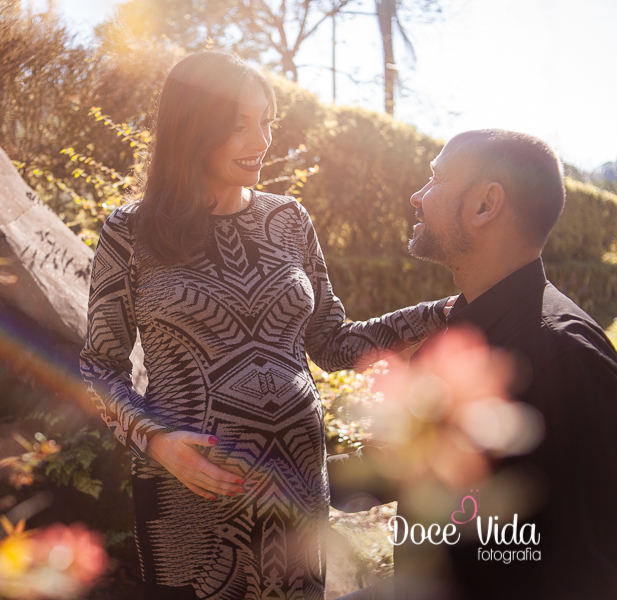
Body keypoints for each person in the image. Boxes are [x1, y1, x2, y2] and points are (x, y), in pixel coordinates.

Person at [79, 51, 449, 600]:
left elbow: (333, 341)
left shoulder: (289, 219)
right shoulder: (129, 232)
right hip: (192, 505)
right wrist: (157, 443)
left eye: (268, 122)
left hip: (298, 492)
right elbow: (98, 368)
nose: (263, 140)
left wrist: (441, 312)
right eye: (241, 126)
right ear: (192, 131)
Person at [333, 129, 617, 599]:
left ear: (485, 205)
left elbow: (592, 565)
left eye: (435, 179)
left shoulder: (567, 356)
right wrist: (290, 478)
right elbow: (416, 465)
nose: (416, 196)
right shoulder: (454, 337)